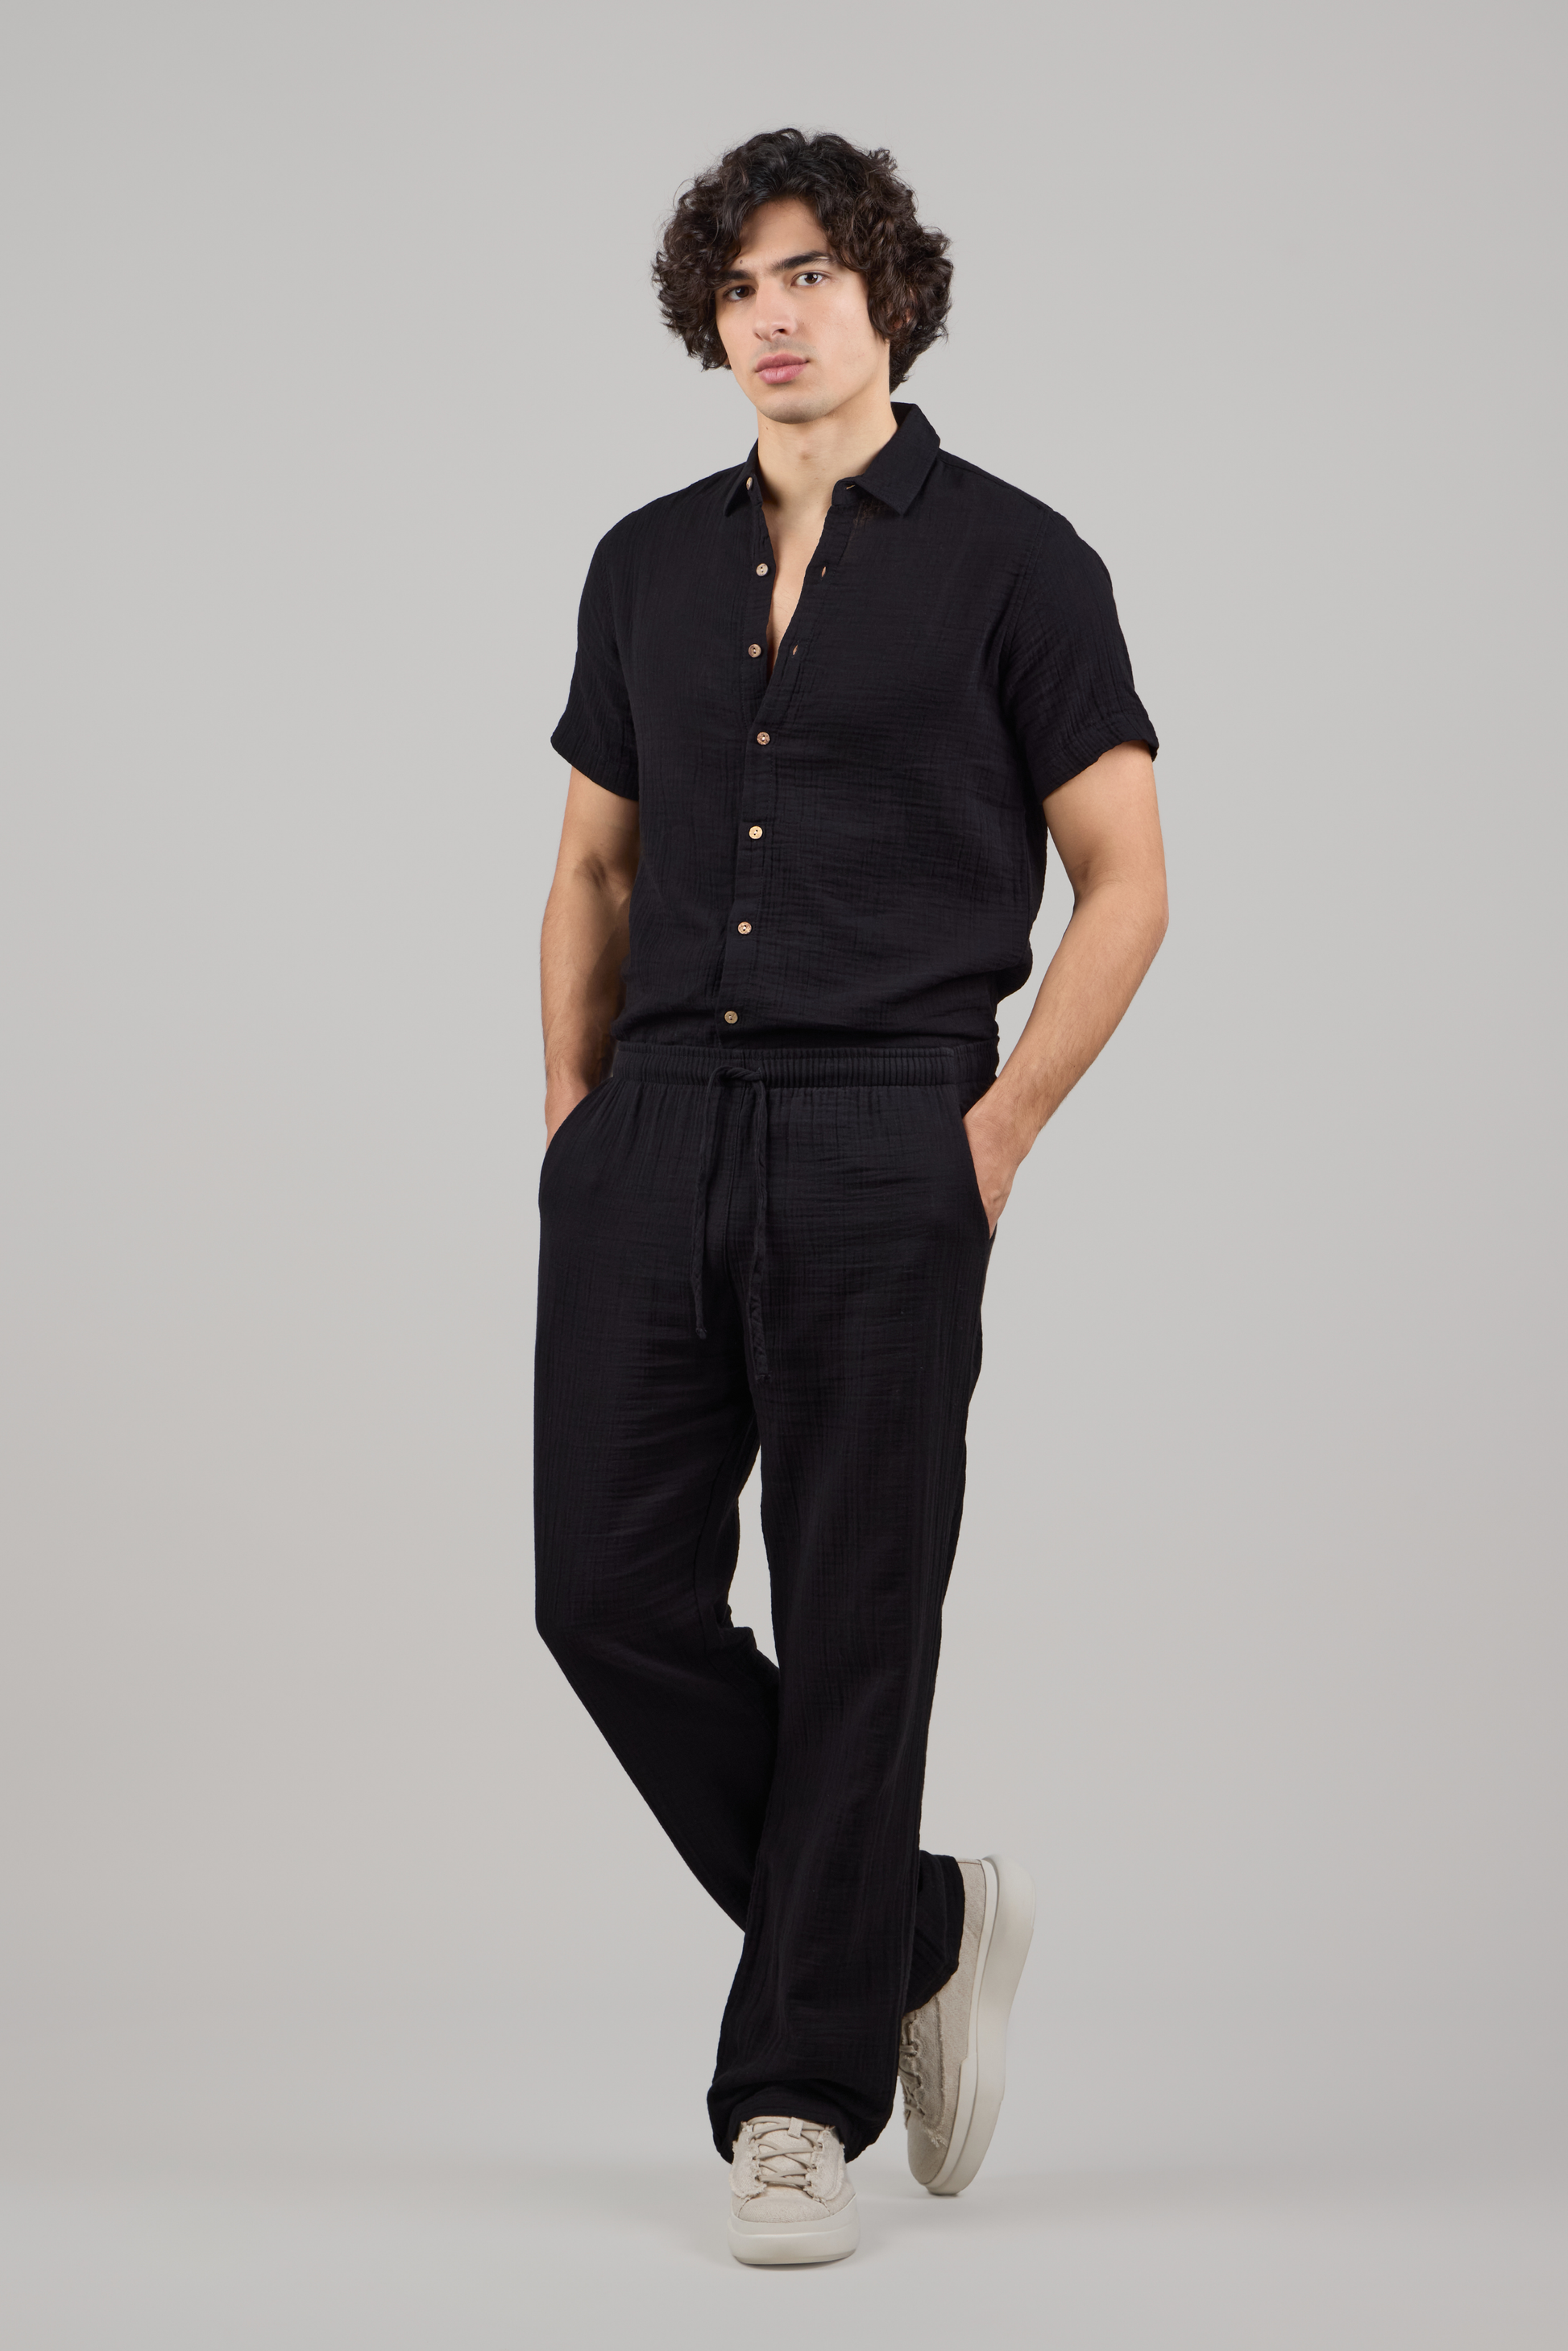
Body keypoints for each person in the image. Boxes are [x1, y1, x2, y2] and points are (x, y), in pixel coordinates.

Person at [535, 127, 1167, 2267]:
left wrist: (995, 1130)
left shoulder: (1018, 562)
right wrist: (575, 1121)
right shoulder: (643, 563)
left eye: (810, 272)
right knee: (606, 1594)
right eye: (739, 286)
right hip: (657, 1129)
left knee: (856, 1611)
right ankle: (914, 1925)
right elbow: (594, 865)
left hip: (891, 1126)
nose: (775, 314)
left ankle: (795, 2099)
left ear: (889, 289)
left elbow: (1128, 877)